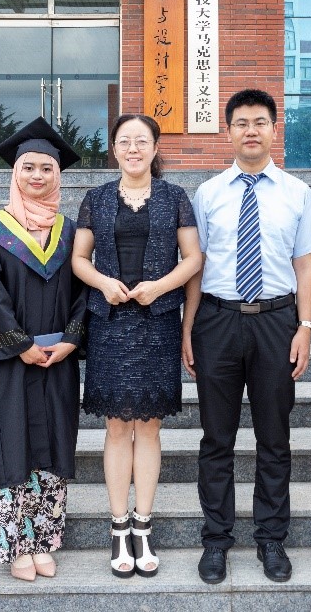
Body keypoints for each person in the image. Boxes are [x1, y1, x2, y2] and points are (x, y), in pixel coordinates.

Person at [182, 89, 311, 584]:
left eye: (260, 122)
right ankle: (216, 540)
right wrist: (188, 328)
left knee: (275, 438)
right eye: (241, 123)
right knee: (216, 439)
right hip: (217, 321)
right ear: (228, 131)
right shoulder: (208, 194)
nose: (250, 130)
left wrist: (304, 327)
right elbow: (196, 266)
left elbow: (306, 266)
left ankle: (271, 539)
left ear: (273, 129)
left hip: (276, 321)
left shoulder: (297, 193)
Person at [72, 113, 201, 578]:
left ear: (155, 148)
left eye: (141, 141)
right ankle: (118, 525)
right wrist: (103, 283)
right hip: (109, 325)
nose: (133, 149)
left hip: (157, 324)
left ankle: (142, 525)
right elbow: (79, 258)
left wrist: (160, 286)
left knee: (148, 428)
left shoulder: (175, 197)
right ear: (113, 149)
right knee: (115, 428)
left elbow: (193, 258)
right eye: (124, 141)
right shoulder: (96, 198)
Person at [0, 117, 87, 582]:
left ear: (58, 176)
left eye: (47, 168)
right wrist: (19, 345)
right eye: (29, 168)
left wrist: (72, 338)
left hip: (58, 359)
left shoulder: (71, 232)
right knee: (11, 442)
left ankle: (45, 539)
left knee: (53, 442)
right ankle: (16, 544)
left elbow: (84, 294)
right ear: (15, 174)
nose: (38, 176)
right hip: (9, 361)